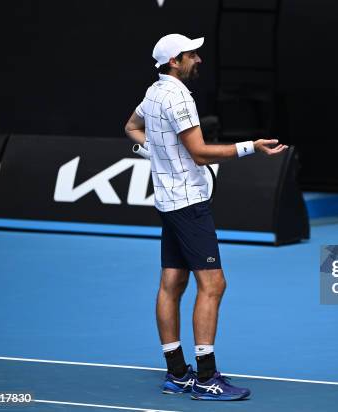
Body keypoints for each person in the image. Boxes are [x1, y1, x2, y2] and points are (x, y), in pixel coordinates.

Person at [124, 33, 287, 401]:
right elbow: (198, 153)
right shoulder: (179, 95)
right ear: (174, 61)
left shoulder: (153, 93)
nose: (198, 59)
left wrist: (157, 155)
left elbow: (131, 127)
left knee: (172, 283)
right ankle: (207, 377)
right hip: (188, 204)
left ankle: (177, 373)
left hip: (168, 202)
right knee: (213, 286)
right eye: (191, 54)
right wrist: (252, 147)